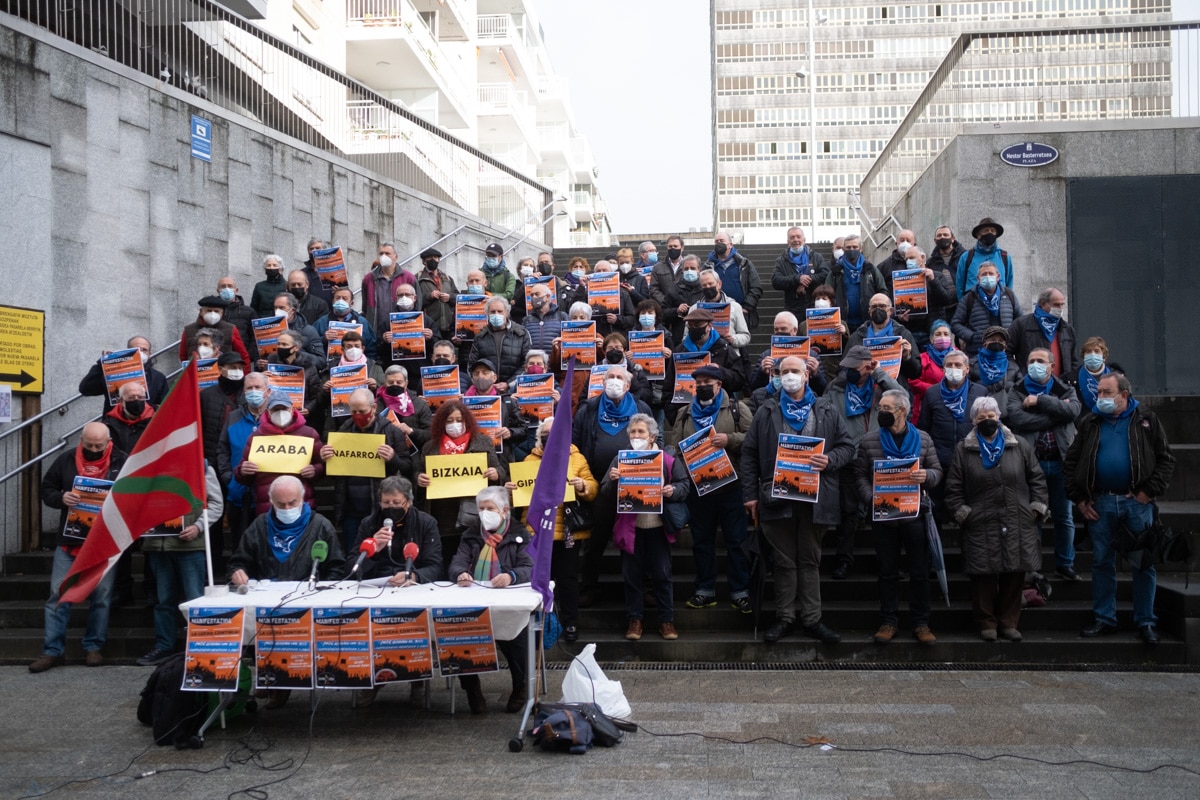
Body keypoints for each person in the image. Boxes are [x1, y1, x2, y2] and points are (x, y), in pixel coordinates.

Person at [741, 357, 854, 644]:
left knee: (810, 559)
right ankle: (785, 618)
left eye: (794, 371)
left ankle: (813, 619)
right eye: (783, 372)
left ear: (806, 375)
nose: (789, 376)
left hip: (815, 498)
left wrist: (829, 460)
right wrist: (750, 495)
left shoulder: (827, 408)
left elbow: (847, 447)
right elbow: (750, 454)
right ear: (776, 376)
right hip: (776, 496)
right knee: (784, 561)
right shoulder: (766, 410)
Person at [1067, 373, 1175, 645]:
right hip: (1101, 502)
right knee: (1102, 562)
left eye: (1106, 392)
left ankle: (1146, 621)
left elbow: (1165, 460)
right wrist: (1080, 499)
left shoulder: (1146, 420)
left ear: (1123, 395)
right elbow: (1071, 463)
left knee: (1143, 564)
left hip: (1137, 504)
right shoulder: (1090, 422)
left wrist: (1148, 491)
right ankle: (1105, 619)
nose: (1099, 397)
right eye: (1099, 392)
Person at [945, 396, 1049, 642]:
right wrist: (964, 514)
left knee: (1015, 574)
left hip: (1017, 518)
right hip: (980, 521)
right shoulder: (963, 449)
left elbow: (1037, 479)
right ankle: (987, 622)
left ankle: (1009, 622)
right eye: (982, 418)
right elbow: (953, 488)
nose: (987, 421)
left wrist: (1036, 509)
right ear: (973, 421)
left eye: (991, 416)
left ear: (999, 417)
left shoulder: (1019, 445)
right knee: (983, 577)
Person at [29, 423, 127, 673]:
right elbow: (46, 489)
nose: (94, 449)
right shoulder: (65, 459)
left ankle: (93, 646)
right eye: (89, 445)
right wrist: (61, 498)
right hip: (70, 541)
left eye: (99, 446)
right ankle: (51, 651)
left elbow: (132, 496)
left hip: (104, 542)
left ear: (108, 442)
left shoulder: (122, 461)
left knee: (102, 598)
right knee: (58, 596)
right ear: (81, 439)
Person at [855, 389, 943, 645]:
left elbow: (937, 470)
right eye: (879, 407)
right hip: (884, 516)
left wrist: (927, 476)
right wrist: (871, 497)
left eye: (885, 408)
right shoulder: (869, 440)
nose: (880, 412)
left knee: (919, 572)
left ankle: (921, 623)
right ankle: (889, 621)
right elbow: (859, 475)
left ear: (902, 411)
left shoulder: (924, 439)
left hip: (915, 515)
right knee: (887, 571)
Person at [665, 364, 753, 614]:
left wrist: (730, 440)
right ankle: (705, 590)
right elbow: (675, 450)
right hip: (698, 489)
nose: (702, 386)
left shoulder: (738, 409)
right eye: (699, 383)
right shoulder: (684, 414)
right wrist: (689, 465)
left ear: (719, 385)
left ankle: (740, 591)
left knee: (736, 540)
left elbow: (753, 439)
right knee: (702, 542)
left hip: (731, 486)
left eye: (708, 382)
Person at [592, 413, 687, 642]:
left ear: (653, 435)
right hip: (630, 529)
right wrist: (613, 481)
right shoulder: (621, 459)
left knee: (662, 575)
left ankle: (666, 620)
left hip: (658, 527)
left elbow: (685, 486)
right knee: (632, 576)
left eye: (641, 432)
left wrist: (672, 491)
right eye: (633, 432)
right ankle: (635, 619)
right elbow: (604, 491)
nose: (636, 435)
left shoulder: (667, 458)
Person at [506, 417, 598, 643]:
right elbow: (519, 497)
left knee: (567, 581)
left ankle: (570, 623)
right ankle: (538, 625)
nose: (550, 437)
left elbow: (594, 487)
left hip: (567, 532)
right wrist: (511, 490)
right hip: (537, 531)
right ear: (539, 438)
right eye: (546, 434)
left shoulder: (576, 458)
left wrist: (583, 486)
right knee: (537, 580)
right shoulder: (529, 459)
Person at [573, 364, 654, 606]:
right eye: (610, 377)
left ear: (628, 385)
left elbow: (654, 440)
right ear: (602, 382)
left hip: (636, 483)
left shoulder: (641, 408)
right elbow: (575, 444)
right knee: (596, 539)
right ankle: (589, 586)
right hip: (600, 485)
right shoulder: (588, 409)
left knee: (640, 538)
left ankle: (645, 587)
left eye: (620, 377)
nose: (615, 381)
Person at [448, 486, 533, 714]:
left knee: (517, 637)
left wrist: (510, 576)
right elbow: (457, 562)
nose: (485, 513)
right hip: (476, 599)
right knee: (458, 635)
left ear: (504, 511)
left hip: (507, 601)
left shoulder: (520, 534)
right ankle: (472, 689)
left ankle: (521, 688)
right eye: (481, 508)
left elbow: (529, 567)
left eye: (490, 508)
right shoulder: (471, 535)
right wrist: (460, 574)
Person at [823, 345, 903, 580]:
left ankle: (888, 564)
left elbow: (902, 399)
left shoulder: (881, 388)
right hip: (848, 458)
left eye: (854, 367)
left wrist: (880, 374)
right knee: (848, 514)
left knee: (883, 514)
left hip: (878, 456)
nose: (848, 371)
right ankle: (843, 560)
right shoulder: (835, 388)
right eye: (846, 366)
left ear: (867, 367)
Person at [137, 463, 224, 666]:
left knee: (195, 600)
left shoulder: (200, 465)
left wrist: (198, 526)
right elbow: (135, 501)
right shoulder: (148, 463)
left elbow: (216, 504)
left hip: (190, 546)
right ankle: (163, 646)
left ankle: (198, 647)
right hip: (158, 545)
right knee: (163, 601)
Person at [1006, 348, 1081, 581]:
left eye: (1040, 361)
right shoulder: (1017, 391)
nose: (1035, 365)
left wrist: (1040, 401)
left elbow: (1074, 410)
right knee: (1033, 516)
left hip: (1060, 462)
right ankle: (1033, 566)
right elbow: (1017, 418)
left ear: (1051, 365)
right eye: (1031, 361)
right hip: (1032, 465)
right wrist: (1055, 413)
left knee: (1064, 516)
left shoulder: (1065, 388)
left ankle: (1065, 564)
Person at [320, 388, 411, 552]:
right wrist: (326, 458)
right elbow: (334, 473)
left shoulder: (392, 431)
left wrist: (393, 458)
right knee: (354, 553)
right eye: (353, 411)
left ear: (373, 408)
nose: (358, 415)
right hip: (351, 511)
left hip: (382, 511)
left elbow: (408, 467)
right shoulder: (343, 431)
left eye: (362, 411)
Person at [414, 399, 507, 555]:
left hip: (472, 513)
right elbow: (418, 471)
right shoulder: (430, 447)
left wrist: (496, 473)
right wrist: (419, 478)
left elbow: (500, 470)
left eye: (459, 420)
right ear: (441, 423)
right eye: (449, 421)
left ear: (467, 421)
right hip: (441, 515)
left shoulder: (482, 442)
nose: (454, 424)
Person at [918, 348, 986, 521]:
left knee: (969, 511)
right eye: (949, 365)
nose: (953, 368)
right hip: (940, 461)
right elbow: (924, 429)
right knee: (937, 510)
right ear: (943, 369)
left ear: (967, 368)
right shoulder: (932, 393)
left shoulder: (980, 392)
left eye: (958, 365)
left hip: (970, 461)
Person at [234, 391, 325, 516]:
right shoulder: (256, 437)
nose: (280, 412)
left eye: (284, 408)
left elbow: (323, 465)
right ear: (268, 412)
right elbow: (243, 476)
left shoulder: (309, 434)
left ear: (292, 409)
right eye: (276, 409)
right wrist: (243, 471)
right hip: (267, 508)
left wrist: (315, 470)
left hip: (301, 505)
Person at [352, 476, 443, 585]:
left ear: (408, 502)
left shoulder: (426, 523)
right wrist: (372, 552)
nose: (391, 507)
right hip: (377, 584)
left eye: (396, 502)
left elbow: (435, 567)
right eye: (385, 502)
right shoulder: (368, 524)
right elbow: (351, 568)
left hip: (413, 586)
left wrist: (414, 576)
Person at [663, 307, 747, 424]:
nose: (693, 328)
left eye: (697, 325)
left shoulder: (724, 349)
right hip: (687, 416)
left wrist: (721, 371)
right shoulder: (679, 351)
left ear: (709, 326)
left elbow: (740, 379)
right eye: (690, 325)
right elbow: (668, 387)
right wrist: (675, 418)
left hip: (719, 415)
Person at [217, 372, 269, 552]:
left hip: (269, 496)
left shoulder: (277, 416)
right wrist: (228, 477)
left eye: (258, 388)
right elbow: (223, 448)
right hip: (238, 495)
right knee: (240, 547)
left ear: (267, 391)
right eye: (249, 388)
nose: (253, 391)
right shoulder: (234, 417)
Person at [78, 336, 168, 418]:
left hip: (145, 427)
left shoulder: (158, 377)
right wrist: (102, 365)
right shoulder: (112, 372)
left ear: (149, 353)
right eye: (137, 349)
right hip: (115, 426)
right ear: (128, 351)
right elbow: (86, 389)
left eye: (144, 350)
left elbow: (165, 405)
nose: (140, 352)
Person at [846, 293, 922, 386]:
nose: (878, 309)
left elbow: (916, 373)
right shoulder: (857, 336)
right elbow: (843, 370)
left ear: (890, 310)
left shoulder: (903, 334)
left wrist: (907, 357)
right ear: (869, 311)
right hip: (864, 391)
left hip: (894, 391)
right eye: (874, 307)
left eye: (882, 306)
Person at [950, 261, 1022, 357]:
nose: (988, 277)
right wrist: (971, 336)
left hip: (1004, 352)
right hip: (977, 352)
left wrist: (1012, 338)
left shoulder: (1009, 295)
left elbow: (1020, 321)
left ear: (998, 277)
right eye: (984, 274)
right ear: (978, 279)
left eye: (991, 273)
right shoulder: (969, 297)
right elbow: (955, 323)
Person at [464, 357, 528, 462]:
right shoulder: (463, 404)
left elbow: (523, 429)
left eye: (485, 373)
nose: (480, 376)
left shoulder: (507, 401)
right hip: (472, 457)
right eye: (476, 373)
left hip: (501, 458)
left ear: (494, 378)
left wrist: (510, 432)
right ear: (472, 379)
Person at [823, 234, 887, 333]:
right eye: (848, 247)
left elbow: (882, 291)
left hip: (868, 322)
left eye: (855, 247)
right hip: (842, 325)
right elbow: (827, 295)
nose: (851, 250)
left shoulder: (870, 269)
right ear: (844, 249)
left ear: (860, 249)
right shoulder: (836, 272)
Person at [1009, 287, 1077, 378]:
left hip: (1061, 386)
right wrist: (1018, 374)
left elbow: (1073, 360)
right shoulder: (1021, 324)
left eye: (1062, 305)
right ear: (1043, 304)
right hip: (1028, 382)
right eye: (1056, 305)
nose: (1060, 309)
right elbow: (1006, 353)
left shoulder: (1067, 328)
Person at [362, 241, 420, 345]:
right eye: (381, 253)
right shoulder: (369, 279)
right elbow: (365, 307)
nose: (383, 256)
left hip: (401, 331)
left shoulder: (408, 277)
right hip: (375, 331)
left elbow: (418, 305)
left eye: (387, 253)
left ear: (396, 257)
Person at [467, 296, 531, 391]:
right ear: (487, 314)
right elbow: (472, 366)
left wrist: (509, 384)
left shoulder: (521, 333)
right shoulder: (480, 336)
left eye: (500, 311)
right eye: (492, 312)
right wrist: (487, 385)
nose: (496, 314)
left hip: (514, 390)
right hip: (487, 391)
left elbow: (527, 363)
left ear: (507, 312)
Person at [704, 232, 762, 329]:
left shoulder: (744, 263)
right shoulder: (708, 266)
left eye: (721, 241)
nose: (719, 243)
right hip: (716, 313)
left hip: (740, 312)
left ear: (730, 245)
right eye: (716, 241)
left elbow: (756, 286)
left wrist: (747, 307)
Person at [771, 226, 828, 318]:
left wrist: (806, 281)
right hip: (792, 308)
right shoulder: (781, 260)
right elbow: (776, 281)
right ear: (788, 241)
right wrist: (797, 279)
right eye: (792, 237)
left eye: (798, 236)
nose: (795, 240)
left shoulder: (816, 257)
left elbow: (825, 274)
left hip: (814, 305)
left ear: (804, 240)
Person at [179, 296, 251, 365]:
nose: (212, 314)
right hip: (196, 374)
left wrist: (245, 376)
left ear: (221, 313)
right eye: (209, 311)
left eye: (216, 311)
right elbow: (183, 356)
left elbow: (243, 355)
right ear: (201, 311)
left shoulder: (231, 329)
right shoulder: (188, 330)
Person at [376, 364, 432, 451]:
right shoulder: (376, 406)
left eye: (399, 382)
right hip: (383, 452)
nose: (395, 385)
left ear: (406, 384)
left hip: (413, 456)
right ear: (385, 383)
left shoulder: (419, 404)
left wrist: (412, 431)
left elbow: (431, 434)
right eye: (390, 382)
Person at [313, 285, 377, 359]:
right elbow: (311, 345)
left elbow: (371, 348)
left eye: (344, 298)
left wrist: (368, 364)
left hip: (357, 365)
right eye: (337, 298)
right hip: (329, 366)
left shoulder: (362, 322)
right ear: (333, 301)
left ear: (351, 303)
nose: (340, 301)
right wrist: (323, 339)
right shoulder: (322, 322)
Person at [691, 269, 751, 349]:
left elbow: (745, 336)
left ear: (719, 284)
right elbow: (685, 337)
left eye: (710, 283)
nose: (708, 287)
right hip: (704, 354)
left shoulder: (734, 306)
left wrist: (732, 339)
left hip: (728, 354)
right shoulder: (694, 309)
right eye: (704, 285)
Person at [956, 217, 1014, 298]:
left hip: (999, 305)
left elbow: (1009, 284)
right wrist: (964, 306)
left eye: (992, 231)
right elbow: (959, 286)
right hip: (973, 305)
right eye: (986, 230)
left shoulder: (1005, 257)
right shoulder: (966, 257)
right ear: (978, 235)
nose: (989, 233)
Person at [908, 320, 953, 422]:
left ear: (950, 338)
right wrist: (936, 389)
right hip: (927, 406)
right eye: (938, 334)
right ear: (931, 339)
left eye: (946, 334)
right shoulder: (922, 358)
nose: (942, 337)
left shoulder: (959, 356)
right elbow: (913, 381)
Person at [970, 325, 1019, 408]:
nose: (997, 343)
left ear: (1005, 346)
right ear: (985, 343)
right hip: (980, 412)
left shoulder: (1013, 367)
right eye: (993, 340)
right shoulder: (972, 364)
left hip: (1006, 412)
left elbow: (1019, 391)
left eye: (1000, 341)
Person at [417, 247, 458, 342]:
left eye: (435, 257)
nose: (433, 260)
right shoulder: (418, 279)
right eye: (429, 258)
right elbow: (414, 301)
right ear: (424, 261)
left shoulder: (447, 278)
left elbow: (458, 297)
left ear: (439, 260)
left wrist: (450, 297)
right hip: (429, 327)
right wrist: (429, 296)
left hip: (448, 326)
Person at [103, 380, 154, 456]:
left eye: (140, 397)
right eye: (131, 397)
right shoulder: (109, 425)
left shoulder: (156, 417)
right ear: (121, 401)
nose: (136, 400)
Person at [926, 226, 965, 322]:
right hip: (941, 310)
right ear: (935, 240)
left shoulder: (964, 257)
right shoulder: (930, 263)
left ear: (953, 238)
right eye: (939, 236)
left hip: (962, 307)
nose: (942, 237)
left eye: (945, 235)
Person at [271, 292, 325, 360]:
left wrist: (297, 355)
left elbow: (321, 360)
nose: (277, 311)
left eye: (282, 308)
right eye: (275, 308)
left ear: (293, 310)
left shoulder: (308, 331)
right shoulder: (269, 329)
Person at [217, 276, 258, 360]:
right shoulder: (212, 311)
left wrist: (248, 356)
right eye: (223, 286)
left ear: (236, 290)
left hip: (240, 360)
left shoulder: (249, 312)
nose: (227, 289)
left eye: (230, 286)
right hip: (217, 359)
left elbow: (255, 336)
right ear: (218, 290)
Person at [521, 278, 566, 354]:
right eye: (532, 295)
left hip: (554, 363)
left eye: (537, 294)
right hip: (534, 363)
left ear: (547, 297)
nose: (534, 297)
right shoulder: (526, 320)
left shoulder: (561, 316)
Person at [648, 235, 687, 308]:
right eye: (670, 246)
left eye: (675, 246)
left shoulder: (688, 266)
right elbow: (654, 289)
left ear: (682, 248)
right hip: (664, 309)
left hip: (684, 307)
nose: (673, 249)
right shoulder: (658, 267)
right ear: (667, 247)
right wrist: (665, 301)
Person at [1077, 336, 1113, 414]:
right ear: (1084, 356)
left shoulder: (1116, 377)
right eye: (1088, 351)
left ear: (1104, 356)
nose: (1093, 355)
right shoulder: (1071, 378)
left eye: (1097, 351)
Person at [300, 238, 334, 306]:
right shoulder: (302, 273)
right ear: (308, 252)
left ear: (324, 251)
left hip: (327, 310)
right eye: (311, 249)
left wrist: (338, 291)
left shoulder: (333, 271)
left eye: (318, 248)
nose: (314, 251)